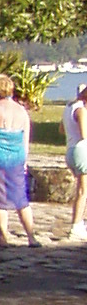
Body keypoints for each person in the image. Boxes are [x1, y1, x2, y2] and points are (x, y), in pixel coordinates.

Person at [0, 73, 44, 246]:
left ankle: (4, 236)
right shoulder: (21, 110)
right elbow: (25, 138)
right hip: (17, 154)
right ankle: (31, 237)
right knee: (21, 196)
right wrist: (24, 160)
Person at [65, 78, 87, 242]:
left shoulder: (69, 107)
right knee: (83, 191)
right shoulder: (81, 111)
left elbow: (61, 128)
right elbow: (84, 134)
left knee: (81, 190)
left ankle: (79, 223)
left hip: (71, 150)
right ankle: (76, 225)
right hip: (81, 149)